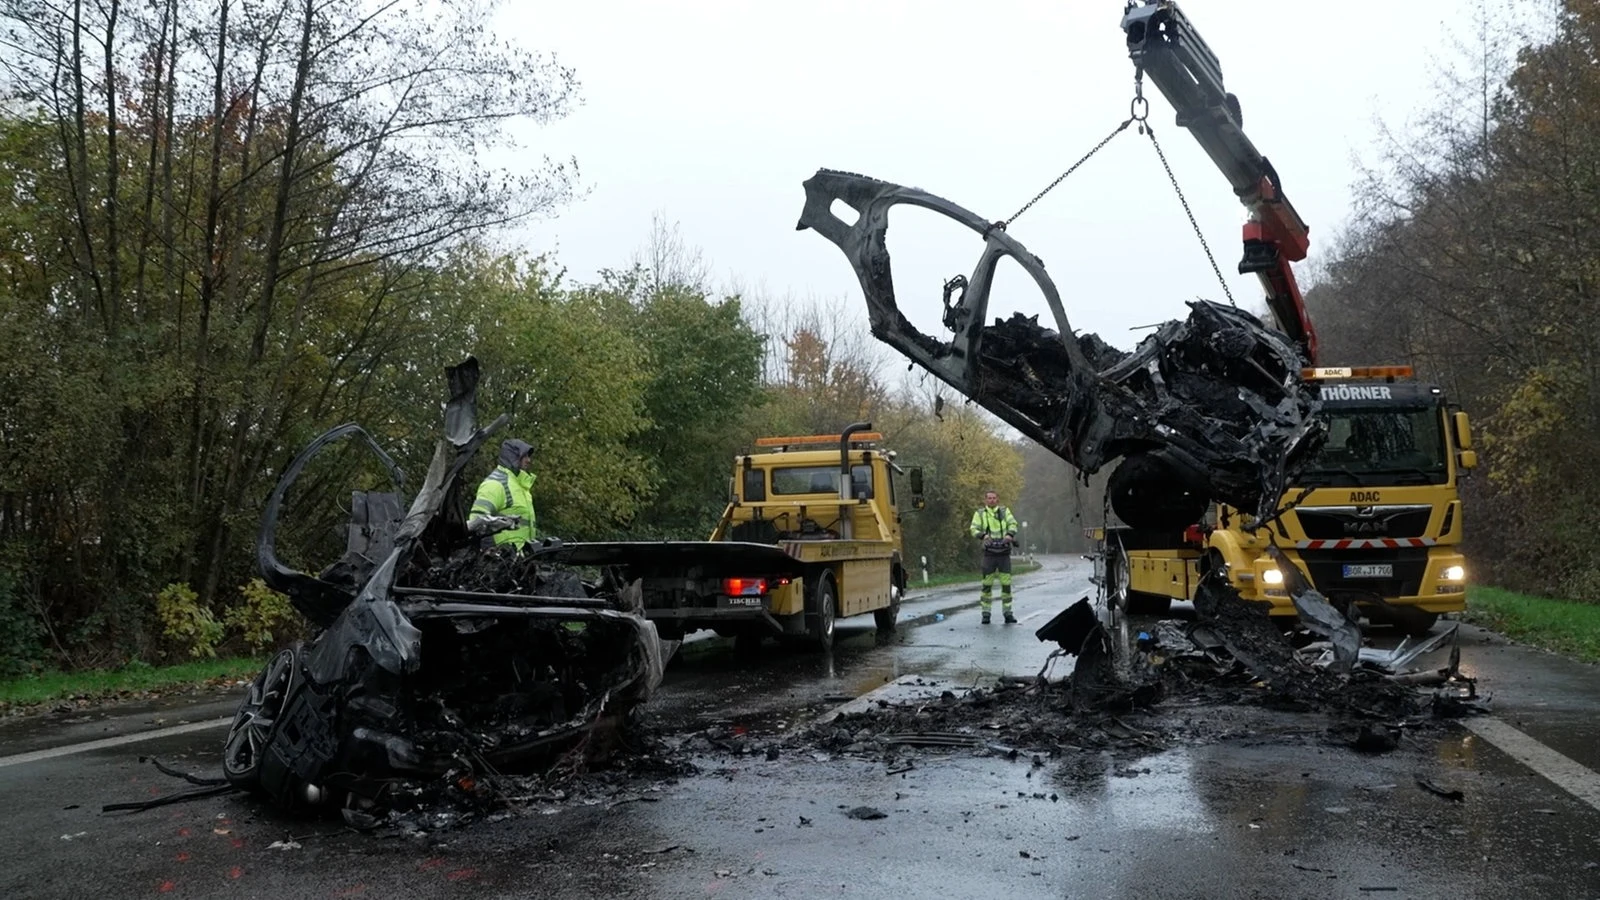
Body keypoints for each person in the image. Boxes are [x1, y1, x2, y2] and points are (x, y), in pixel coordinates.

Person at [469, 438, 536, 550]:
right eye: (524, 456)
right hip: (502, 561)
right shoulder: (495, 484)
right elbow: (477, 524)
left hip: (520, 561)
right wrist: (491, 557)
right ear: (512, 457)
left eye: (528, 456)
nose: (528, 460)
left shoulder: (521, 487)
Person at [969, 489, 1019, 624]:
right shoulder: (980, 514)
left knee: (1006, 585)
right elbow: (973, 529)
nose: (991, 500)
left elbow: (1013, 523)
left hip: (1004, 555)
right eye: (989, 498)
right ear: (985, 500)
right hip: (989, 554)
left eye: (994, 498)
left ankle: (1008, 613)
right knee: (986, 585)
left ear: (997, 499)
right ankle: (986, 614)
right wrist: (983, 536)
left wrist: (1010, 534)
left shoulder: (1004, 511)